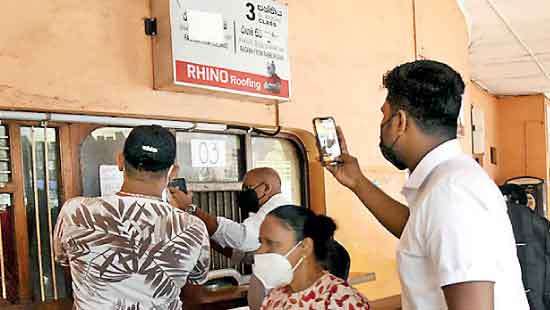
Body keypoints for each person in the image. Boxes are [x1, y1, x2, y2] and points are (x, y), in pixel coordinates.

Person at [327, 60, 528, 309]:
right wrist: (358, 182)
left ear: (400, 122)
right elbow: (419, 232)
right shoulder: (448, 181)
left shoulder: (451, 193)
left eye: (384, 116)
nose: (381, 127)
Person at [53, 125, 210, 309]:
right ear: (173, 171)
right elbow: (192, 293)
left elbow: (69, 266)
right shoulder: (192, 227)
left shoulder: (75, 211)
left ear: (120, 161)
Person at [256, 205, 369, 309]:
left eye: (271, 243)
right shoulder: (274, 296)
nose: (260, 251)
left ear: (305, 246)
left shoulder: (341, 301)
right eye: (261, 242)